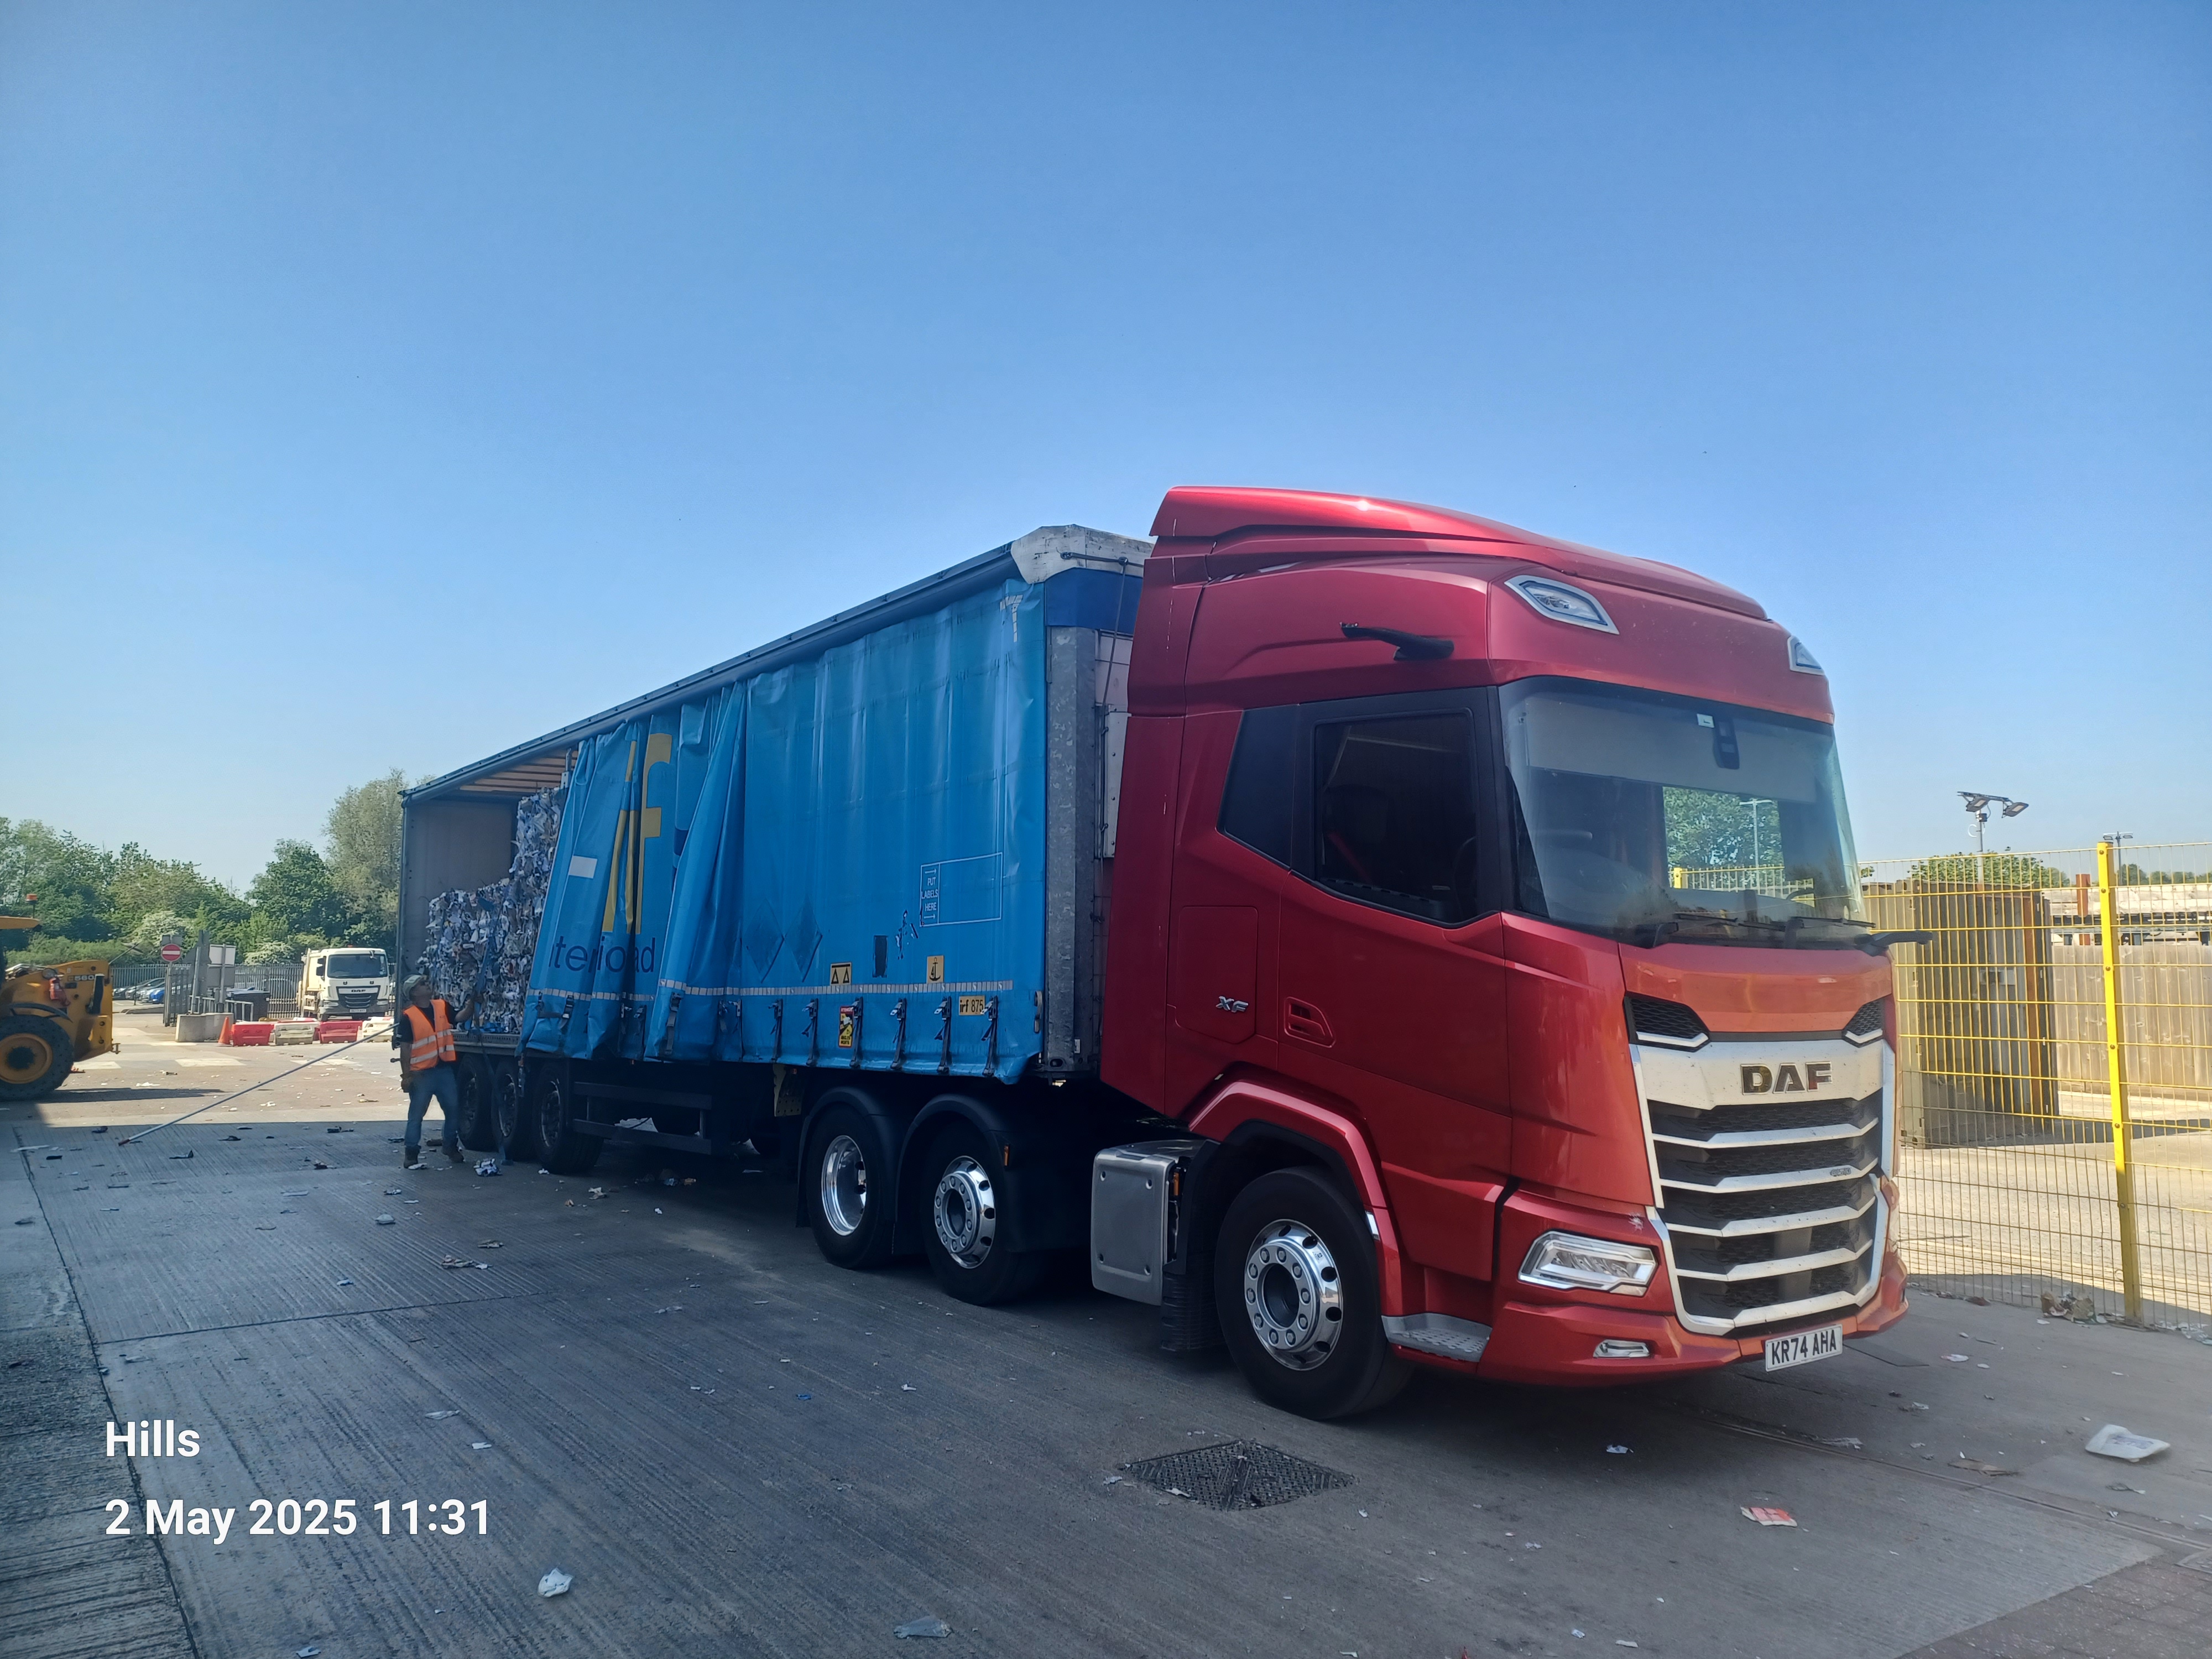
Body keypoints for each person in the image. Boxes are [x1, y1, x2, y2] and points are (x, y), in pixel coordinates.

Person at [392, 976, 474, 1171]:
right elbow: (406, 1049)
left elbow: (460, 1017)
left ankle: (450, 1146)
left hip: (444, 1069)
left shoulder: (441, 1006)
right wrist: (406, 1076)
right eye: (422, 984)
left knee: (453, 1109)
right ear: (414, 993)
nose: (427, 985)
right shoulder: (409, 1017)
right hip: (421, 1075)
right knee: (416, 1116)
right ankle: (411, 1153)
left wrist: (471, 1005)